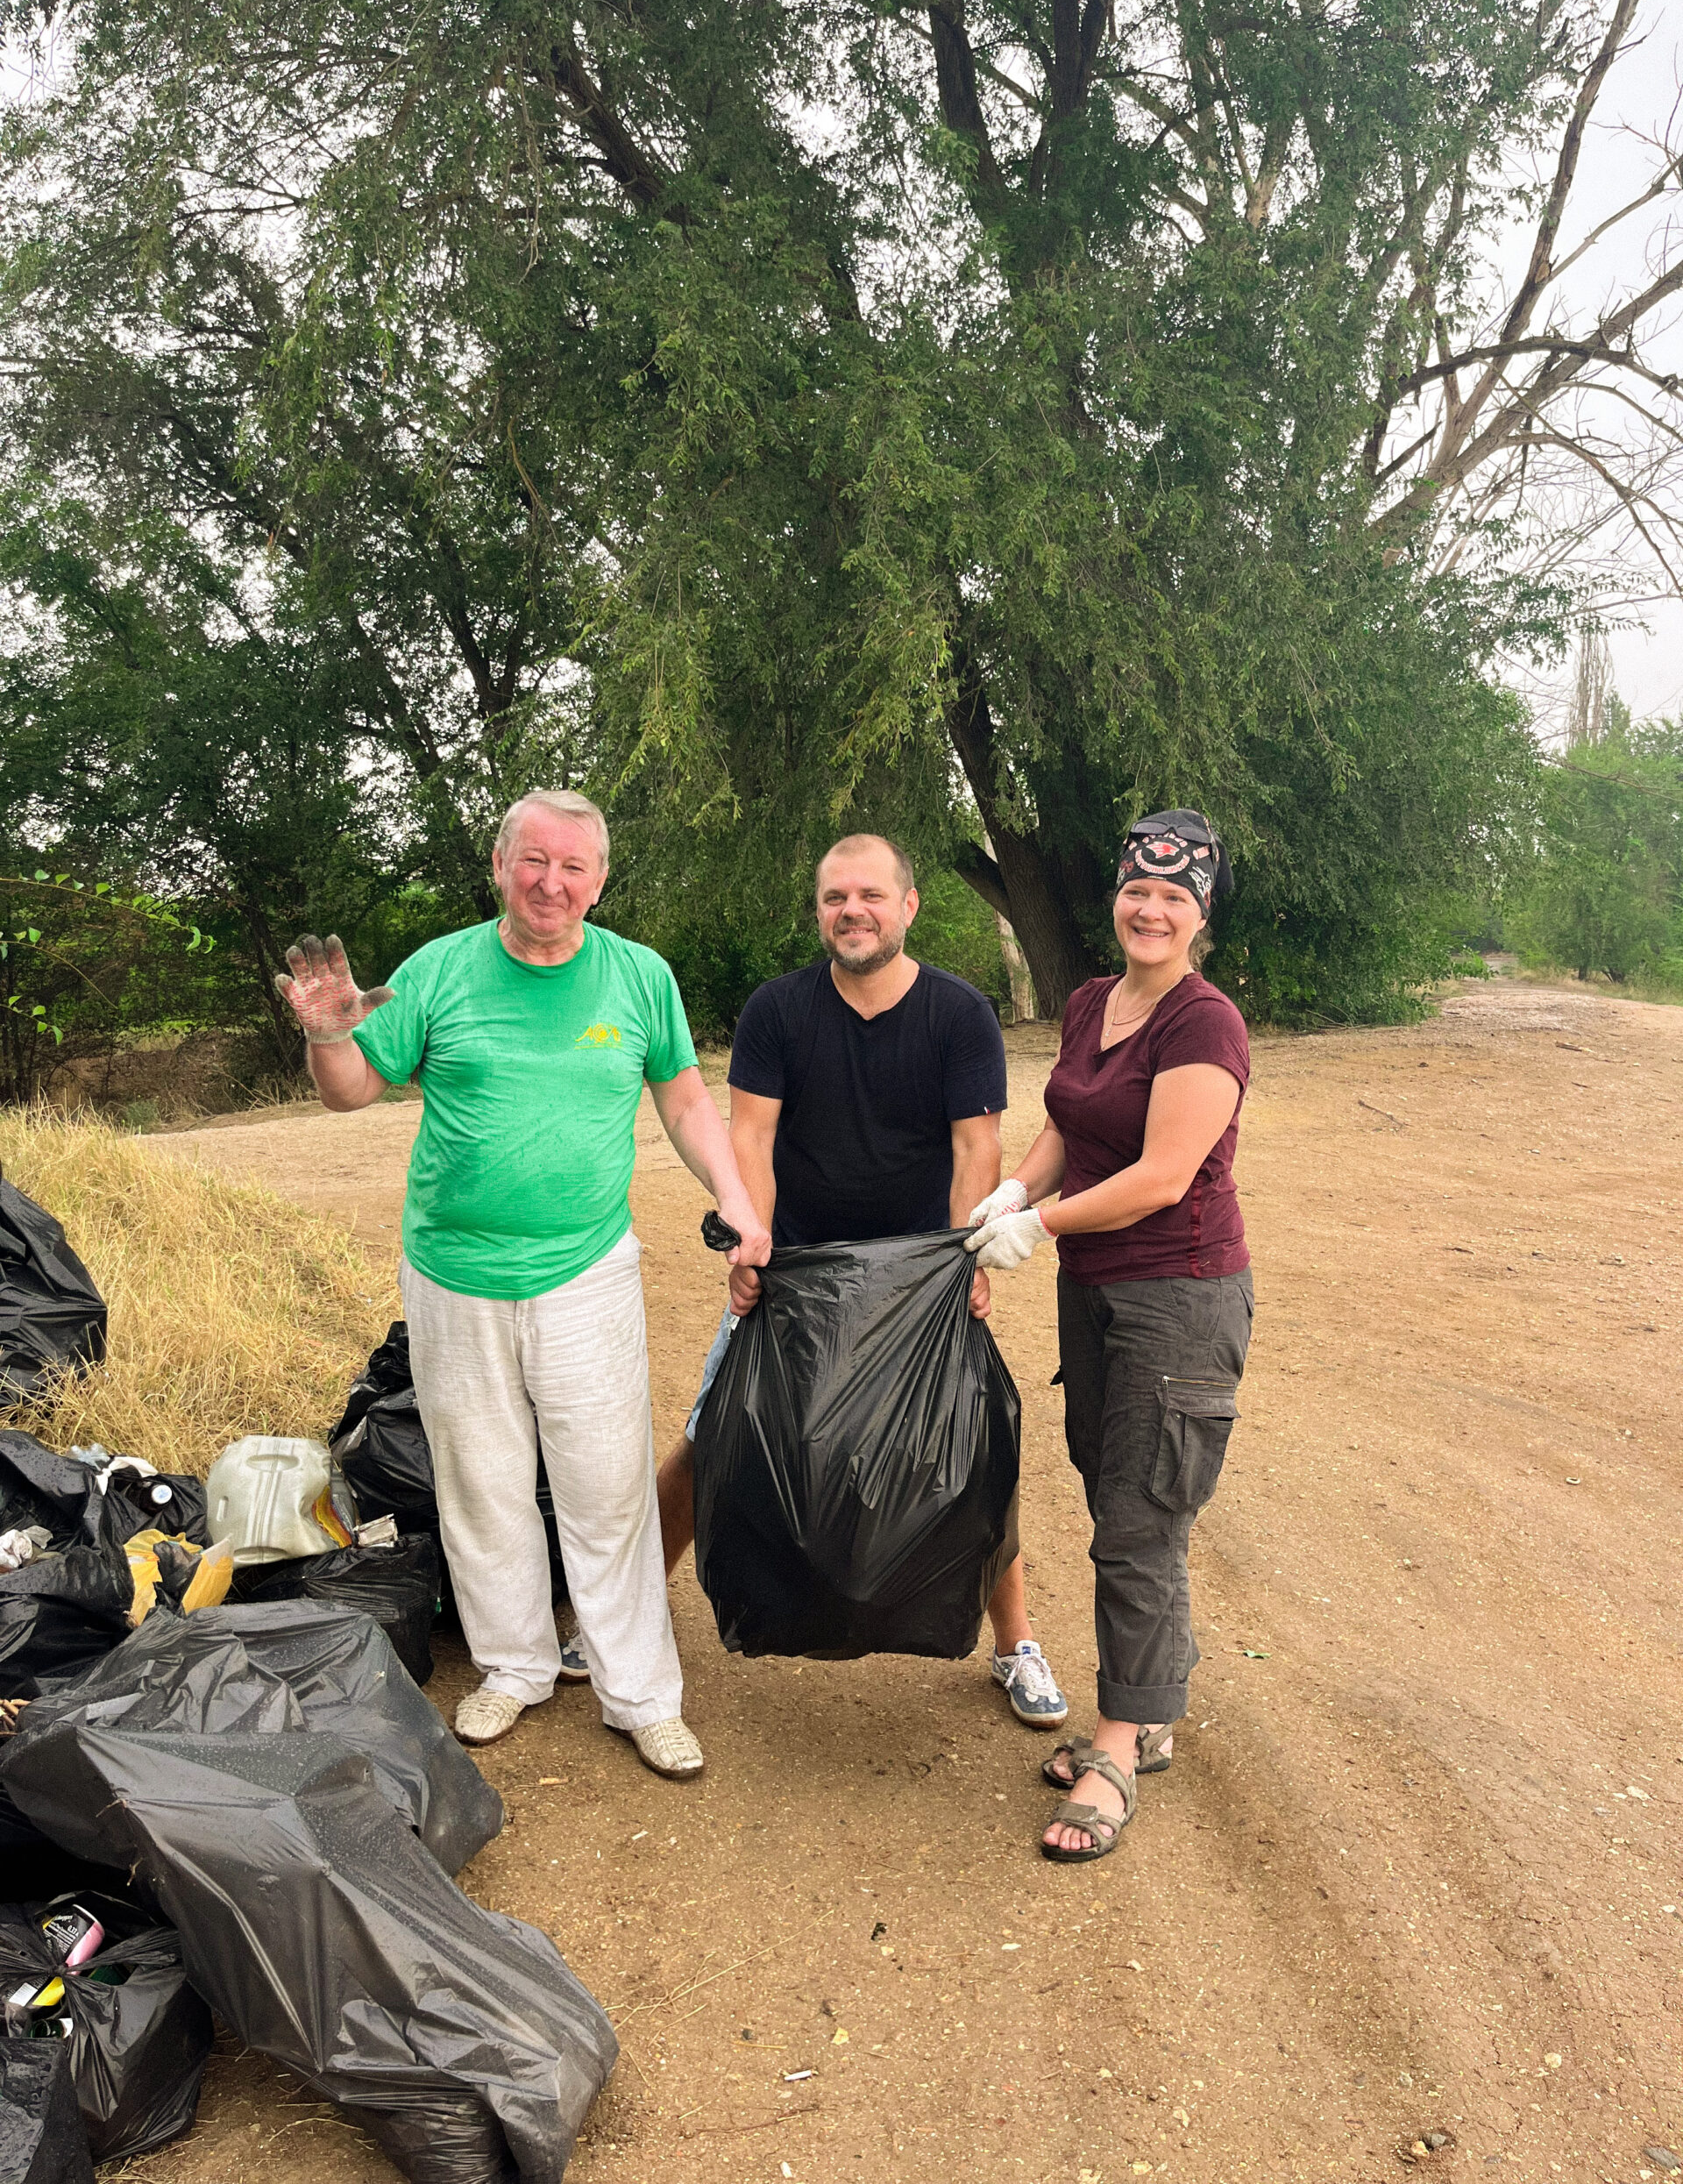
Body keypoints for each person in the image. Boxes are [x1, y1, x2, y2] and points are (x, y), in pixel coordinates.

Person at [273, 788, 770, 1772]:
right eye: (533, 860)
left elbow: (681, 1098)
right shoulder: (440, 970)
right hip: (452, 1273)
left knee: (607, 1481)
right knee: (482, 1476)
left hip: (584, 1269)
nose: (551, 881)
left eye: (573, 866)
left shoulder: (637, 976)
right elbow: (352, 1092)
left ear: (599, 880)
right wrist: (329, 1032)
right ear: (500, 867)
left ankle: (640, 1691)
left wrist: (740, 1198)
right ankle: (513, 1666)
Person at [651, 832, 1069, 1731]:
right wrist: (749, 1248)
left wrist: (966, 1262)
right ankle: (625, 1616)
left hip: (920, 1281)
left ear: (908, 906)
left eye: (871, 895)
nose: (853, 911)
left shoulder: (959, 1013)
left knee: (972, 1450)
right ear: (820, 911)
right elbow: (751, 1140)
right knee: (714, 1434)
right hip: (796, 1268)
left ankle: (1015, 1644)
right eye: (836, 897)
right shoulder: (777, 1011)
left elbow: (975, 1148)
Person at [965, 809, 1252, 1860]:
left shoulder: (1203, 1022)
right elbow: (1071, 1131)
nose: (1151, 908)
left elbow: (1161, 1175)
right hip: (1096, 1292)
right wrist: (1012, 1189)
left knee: (1139, 1516)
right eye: (1139, 889)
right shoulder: (1093, 1000)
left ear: (1199, 912)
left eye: (1174, 897)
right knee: (1120, 1490)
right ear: (1118, 894)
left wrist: (1035, 1225)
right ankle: (1153, 1705)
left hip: (1178, 1296)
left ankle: (1120, 1748)